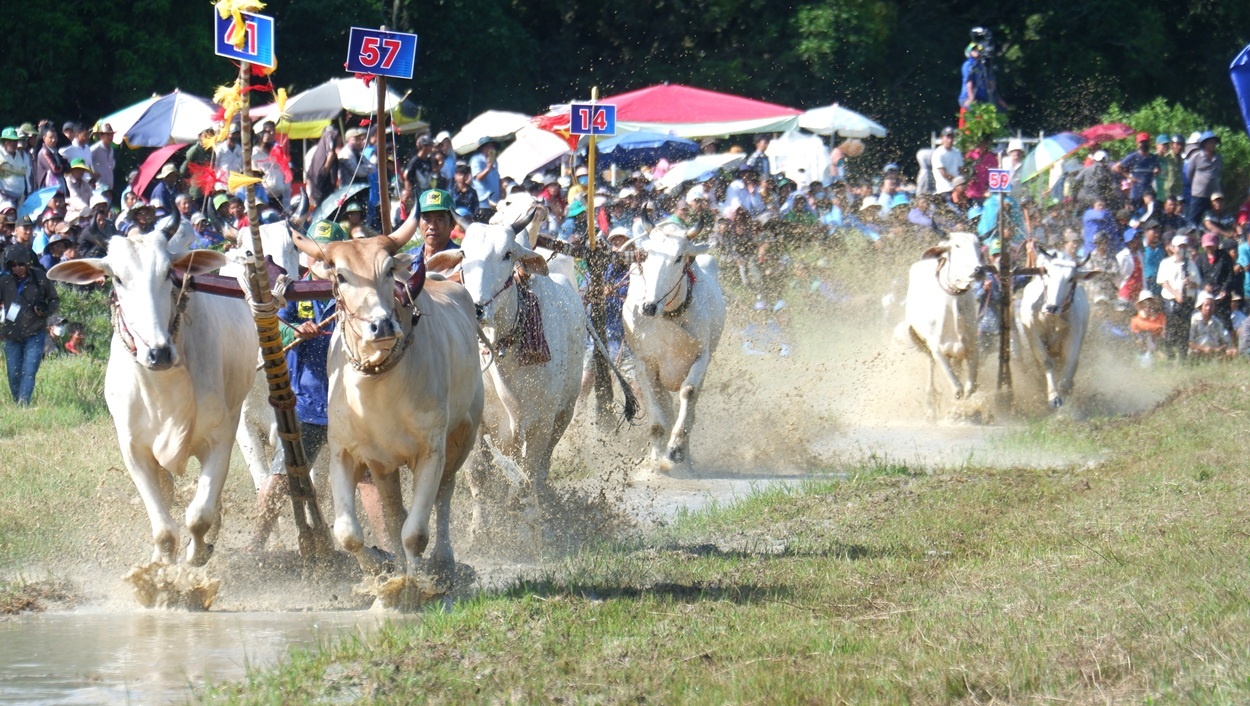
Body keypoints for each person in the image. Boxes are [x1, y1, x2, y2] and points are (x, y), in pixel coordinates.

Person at [0, 244, 60, 405]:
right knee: (13, 373)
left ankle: (23, 403)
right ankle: (17, 402)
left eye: (20, 264)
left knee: (29, 371)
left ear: (27, 263)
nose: (17, 268)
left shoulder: (41, 278)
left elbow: (54, 300)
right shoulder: (4, 282)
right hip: (12, 334)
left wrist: (46, 309)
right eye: (13, 265)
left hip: (35, 332)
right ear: (8, 266)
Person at [1157, 234, 1202, 361]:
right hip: (1171, 300)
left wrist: (1189, 283)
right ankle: (1170, 358)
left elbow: (1197, 282)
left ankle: (1182, 358)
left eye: (1184, 246)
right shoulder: (1166, 263)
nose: (1182, 249)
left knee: (1184, 331)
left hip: (1187, 300)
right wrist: (1176, 294)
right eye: (1180, 246)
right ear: (1173, 248)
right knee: (1171, 330)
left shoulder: (1191, 264)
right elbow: (1163, 282)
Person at [958, 34, 1006, 119]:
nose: (977, 51)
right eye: (974, 49)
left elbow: (992, 85)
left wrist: (998, 100)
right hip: (967, 97)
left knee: (998, 112)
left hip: (982, 98)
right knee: (974, 112)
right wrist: (971, 99)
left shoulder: (984, 66)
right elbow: (969, 83)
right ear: (970, 52)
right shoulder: (968, 64)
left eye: (978, 49)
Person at [1113, 132, 1159, 208]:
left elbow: (1158, 168)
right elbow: (1115, 167)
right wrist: (1129, 177)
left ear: (1149, 143)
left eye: (1146, 142)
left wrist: (1157, 170)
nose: (1144, 144)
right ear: (1137, 144)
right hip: (1136, 190)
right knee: (1134, 211)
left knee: (1151, 207)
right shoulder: (1133, 156)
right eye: (1142, 142)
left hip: (1148, 188)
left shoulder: (1153, 157)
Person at [1186, 131, 1222, 224]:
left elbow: (1218, 173)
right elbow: (1189, 174)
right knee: (1194, 219)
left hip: (1213, 195)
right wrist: (1198, 185)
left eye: (1214, 142)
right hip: (1199, 194)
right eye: (1210, 142)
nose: (1213, 144)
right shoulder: (1196, 156)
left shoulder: (1218, 158)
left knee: (1210, 219)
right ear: (1204, 144)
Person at [1189, 291, 1233, 359]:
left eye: (1211, 305)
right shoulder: (1194, 320)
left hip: (1214, 352)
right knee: (1195, 352)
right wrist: (1203, 349)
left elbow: (1226, 341)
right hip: (1198, 351)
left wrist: (1216, 349)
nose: (1208, 308)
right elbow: (1189, 342)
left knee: (1233, 352)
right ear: (1201, 306)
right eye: (1206, 305)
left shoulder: (1217, 322)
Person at [305, 125, 339, 211]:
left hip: (326, 189)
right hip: (316, 189)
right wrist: (327, 165)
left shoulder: (332, 153)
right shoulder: (314, 151)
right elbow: (312, 174)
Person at [1130, 290, 1166, 363]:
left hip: (1160, 343)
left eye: (1150, 303)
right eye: (1145, 304)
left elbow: (1164, 332)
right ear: (1141, 305)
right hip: (1143, 347)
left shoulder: (1160, 317)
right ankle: (1156, 353)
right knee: (1146, 335)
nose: (1148, 306)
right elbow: (1136, 339)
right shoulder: (1135, 320)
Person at [470, 140, 501, 222]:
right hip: (483, 203)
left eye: (492, 146)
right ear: (482, 148)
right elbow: (478, 177)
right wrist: (488, 168)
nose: (491, 149)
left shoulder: (494, 161)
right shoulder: (476, 160)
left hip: (495, 202)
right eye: (488, 146)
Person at [0, 127, 31, 203]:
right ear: (4, 142)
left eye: (15, 141)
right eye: (10, 141)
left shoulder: (20, 155)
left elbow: (26, 174)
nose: (14, 144)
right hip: (4, 199)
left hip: (21, 198)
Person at [931, 126, 963, 195]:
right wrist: (957, 182)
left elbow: (960, 170)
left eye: (952, 137)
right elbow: (943, 173)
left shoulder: (957, 152)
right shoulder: (938, 153)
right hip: (944, 189)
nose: (950, 140)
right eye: (948, 137)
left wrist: (961, 183)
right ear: (942, 138)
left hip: (956, 190)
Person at [33, 126, 66, 190]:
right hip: (48, 189)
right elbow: (55, 169)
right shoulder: (44, 152)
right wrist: (64, 167)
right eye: (51, 137)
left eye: (55, 137)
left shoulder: (55, 151)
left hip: (58, 186)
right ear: (44, 138)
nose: (53, 140)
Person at [90, 123, 116, 195]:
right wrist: (91, 174)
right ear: (101, 136)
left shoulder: (111, 150)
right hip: (99, 186)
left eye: (111, 134)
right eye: (107, 134)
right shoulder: (95, 149)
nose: (110, 137)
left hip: (109, 186)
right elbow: (85, 160)